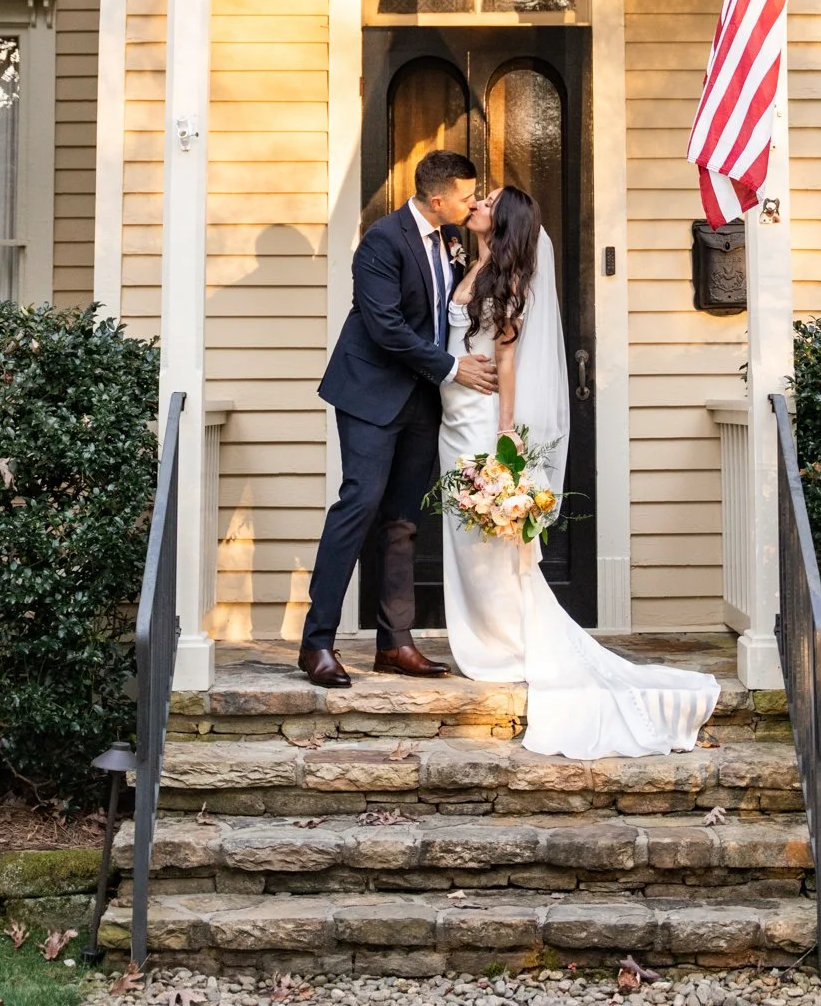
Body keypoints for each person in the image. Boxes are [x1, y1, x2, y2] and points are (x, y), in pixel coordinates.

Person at [440, 185, 720, 757]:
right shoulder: (474, 265)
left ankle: (504, 641)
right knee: (465, 535)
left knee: (485, 536)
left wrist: (505, 434)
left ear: (504, 220)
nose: (478, 204)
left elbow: (508, 361)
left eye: (489, 201)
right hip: (453, 415)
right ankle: (485, 633)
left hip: (482, 419)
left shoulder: (511, 283)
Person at [299, 150, 499, 688]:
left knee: (403, 522)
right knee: (358, 505)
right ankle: (316, 643)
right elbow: (385, 326)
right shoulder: (382, 241)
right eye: (465, 196)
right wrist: (453, 368)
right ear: (436, 199)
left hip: (422, 400)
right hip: (371, 393)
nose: (473, 202)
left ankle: (395, 643)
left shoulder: (449, 238)